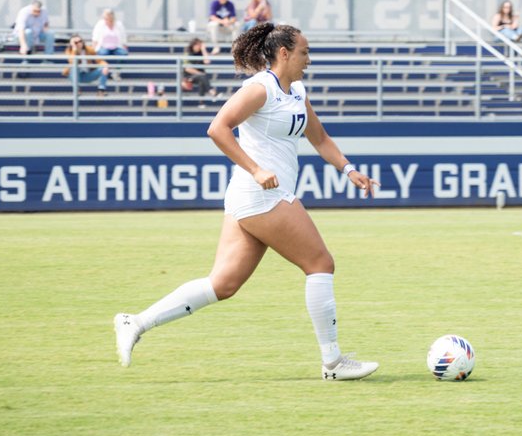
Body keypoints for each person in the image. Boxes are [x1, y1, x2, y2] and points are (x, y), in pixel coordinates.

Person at [113, 22, 380, 380]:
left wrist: (349, 170)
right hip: (262, 194)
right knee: (320, 263)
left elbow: (320, 138)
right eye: (304, 52)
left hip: (256, 196)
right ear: (284, 53)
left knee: (222, 284)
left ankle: (136, 322)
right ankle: (332, 363)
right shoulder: (259, 89)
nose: (309, 60)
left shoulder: (297, 91)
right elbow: (217, 128)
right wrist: (255, 169)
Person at [182, 37, 221, 102]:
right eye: (198, 45)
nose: (200, 47)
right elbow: (188, 69)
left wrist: (203, 49)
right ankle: (212, 92)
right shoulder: (187, 54)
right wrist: (200, 73)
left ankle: (201, 102)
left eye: (201, 45)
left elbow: (207, 61)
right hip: (189, 77)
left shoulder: (201, 53)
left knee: (201, 80)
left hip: (200, 76)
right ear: (193, 45)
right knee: (202, 76)